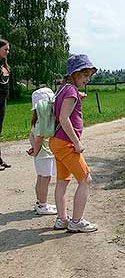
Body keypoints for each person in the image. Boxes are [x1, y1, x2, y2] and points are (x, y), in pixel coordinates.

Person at [49, 54, 98, 232]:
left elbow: (62, 109)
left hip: (57, 141)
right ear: (75, 74)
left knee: (63, 181)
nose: (87, 79)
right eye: (84, 75)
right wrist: (76, 142)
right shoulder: (71, 91)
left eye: (89, 76)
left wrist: (78, 98)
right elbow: (63, 118)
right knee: (85, 179)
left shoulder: (63, 89)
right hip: (66, 143)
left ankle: (62, 219)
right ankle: (76, 222)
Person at [27, 88, 57, 215]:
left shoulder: (37, 121)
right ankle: (43, 205)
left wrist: (34, 149)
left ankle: (40, 203)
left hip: (40, 155)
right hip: (45, 155)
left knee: (40, 178)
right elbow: (39, 139)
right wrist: (36, 150)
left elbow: (31, 136)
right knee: (45, 179)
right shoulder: (44, 122)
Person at [0, 39, 11, 170]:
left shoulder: (5, 66)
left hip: (2, 101)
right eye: (5, 49)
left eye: (8, 50)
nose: (7, 52)